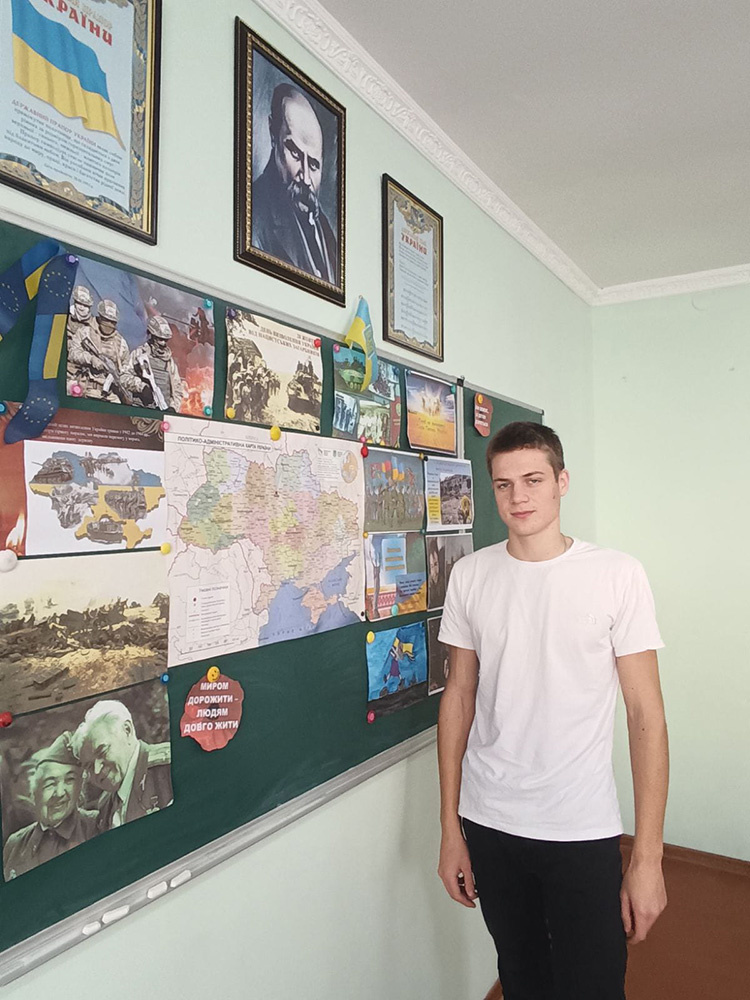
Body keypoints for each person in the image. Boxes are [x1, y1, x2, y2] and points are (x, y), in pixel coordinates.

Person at [437, 422, 668, 1000]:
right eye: (504, 484)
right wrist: (449, 828)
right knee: (522, 978)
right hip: (489, 820)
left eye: (534, 480)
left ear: (562, 482)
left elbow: (645, 715)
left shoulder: (617, 574)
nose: (518, 497)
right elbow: (458, 697)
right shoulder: (470, 575)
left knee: (593, 984)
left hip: (580, 825)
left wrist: (648, 856)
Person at [251, 83, 338, 285]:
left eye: (314, 165)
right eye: (296, 154)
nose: (305, 178)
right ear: (273, 133)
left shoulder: (326, 230)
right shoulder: (256, 213)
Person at [3, 732, 98, 879]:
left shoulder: (96, 825)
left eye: (70, 780)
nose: (59, 793)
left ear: (80, 787)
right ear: (33, 792)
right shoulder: (16, 844)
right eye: (50, 783)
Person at [72, 700, 173, 832]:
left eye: (102, 752)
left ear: (127, 730)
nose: (96, 770)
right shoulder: (105, 805)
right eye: (89, 766)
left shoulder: (168, 767)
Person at [67, 299, 132, 402]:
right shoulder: (85, 333)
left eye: (112, 322)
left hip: (110, 393)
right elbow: (73, 353)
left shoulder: (121, 344)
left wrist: (138, 386)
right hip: (85, 388)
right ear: (100, 317)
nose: (109, 324)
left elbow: (126, 370)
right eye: (106, 320)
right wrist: (91, 359)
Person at [126, 315, 186, 412]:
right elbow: (124, 376)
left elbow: (177, 389)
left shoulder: (169, 362)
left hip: (163, 411)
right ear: (152, 336)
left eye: (165, 340)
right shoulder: (139, 354)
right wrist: (141, 387)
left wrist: (173, 407)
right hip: (140, 410)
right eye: (160, 339)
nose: (163, 343)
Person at [427, 537, 446, 609]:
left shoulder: (444, 580)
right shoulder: (427, 585)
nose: (435, 570)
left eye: (436, 564)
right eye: (432, 566)